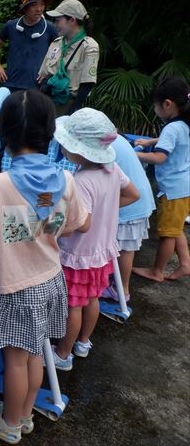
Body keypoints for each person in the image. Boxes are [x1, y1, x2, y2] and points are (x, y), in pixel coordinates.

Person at [0, 90, 90, 444]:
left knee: (16, 361)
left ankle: (8, 424)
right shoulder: (65, 180)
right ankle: (23, 414)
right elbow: (77, 223)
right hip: (51, 279)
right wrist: (40, 225)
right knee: (36, 351)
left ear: (3, 132)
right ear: (49, 133)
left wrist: (15, 233)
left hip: (19, 289)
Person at [52, 108, 139, 371]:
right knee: (92, 299)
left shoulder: (81, 181)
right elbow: (133, 194)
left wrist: (50, 228)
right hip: (103, 253)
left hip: (79, 256)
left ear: (81, 151)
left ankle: (63, 355)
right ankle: (83, 343)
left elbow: (80, 224)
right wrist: (108, 210)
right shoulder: (112, 169)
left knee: (73, 306)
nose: (62, 148)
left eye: (66, 145)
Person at [132, 77, 190, 282]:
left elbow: (159, 157)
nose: (155, 110)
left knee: (167, 233)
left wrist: (134, 155)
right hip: (185, 188)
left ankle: (156, 271)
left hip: (173, 190)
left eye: (156, 106)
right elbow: (172, 140)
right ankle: (185, 265)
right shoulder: (184, 123)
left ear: (167, 104)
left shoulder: (171, 128)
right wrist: (151, 141)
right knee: (176, 228)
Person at [99, 134, 156, 301]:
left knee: (124, 250)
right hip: (138, 199)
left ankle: (121, 291)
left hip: (130, 205)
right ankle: (119, 287)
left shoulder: (103, 146)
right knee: (125, 249)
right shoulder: (115, 138)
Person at [0, 0, 58, 92]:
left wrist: (49, 70)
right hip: (10, 83)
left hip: (36, 86)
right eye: (34, 5)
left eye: (42, 4)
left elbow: (64, 49)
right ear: (25, 8)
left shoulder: (49, 27)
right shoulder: (11, 25)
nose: (39, 9)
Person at [38, 0, 99, 115]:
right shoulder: (56, 43)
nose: (55, 25)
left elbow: (87, 85)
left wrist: (72, 113)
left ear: (72, 20)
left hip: (69, 104)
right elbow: (42, 76)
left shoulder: (89, 46)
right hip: (47, 103)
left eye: (58, 21)